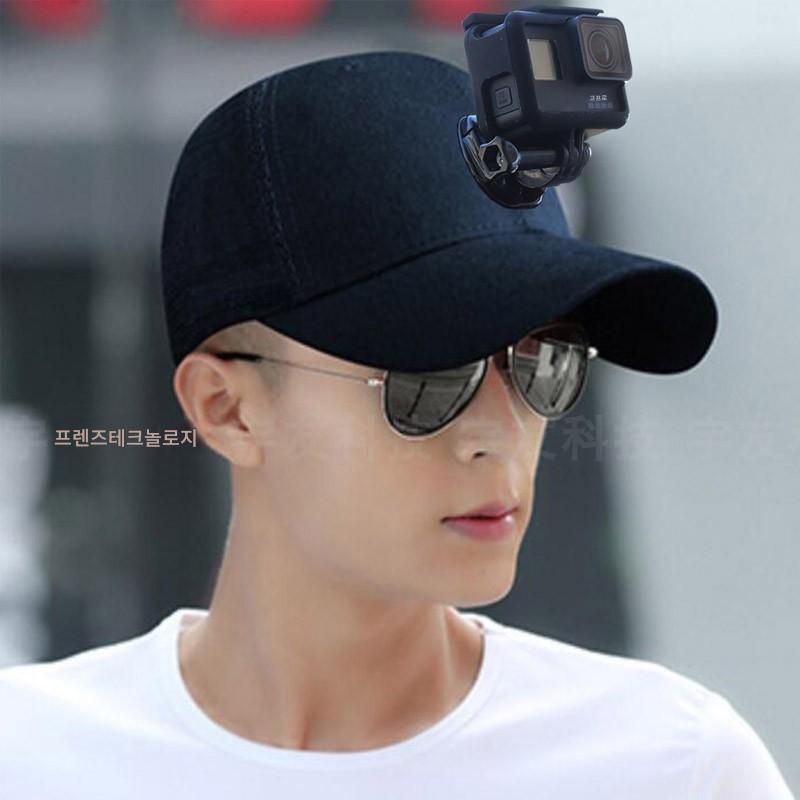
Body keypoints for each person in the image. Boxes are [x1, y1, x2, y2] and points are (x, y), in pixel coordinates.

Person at [0, 51, 794, 799]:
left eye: (543, 363)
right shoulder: (32, 759)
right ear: (226, 408)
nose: (498, 434)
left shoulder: (669, 768)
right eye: (428, 376)